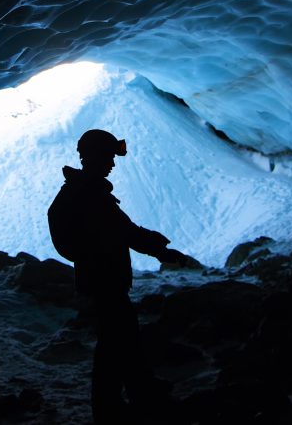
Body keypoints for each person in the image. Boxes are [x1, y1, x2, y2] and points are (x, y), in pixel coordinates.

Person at [47, 129, 189, 424]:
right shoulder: (90, 194)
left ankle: (137, 393)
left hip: (100, 278)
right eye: (109, 156)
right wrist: (158, 249)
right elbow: (123, 231)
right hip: (105, 280)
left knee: (121, 339)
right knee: (116, 343)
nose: (112, 163)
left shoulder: (84, 190)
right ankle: (112, 407)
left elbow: (119, 230)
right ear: (95, 157)